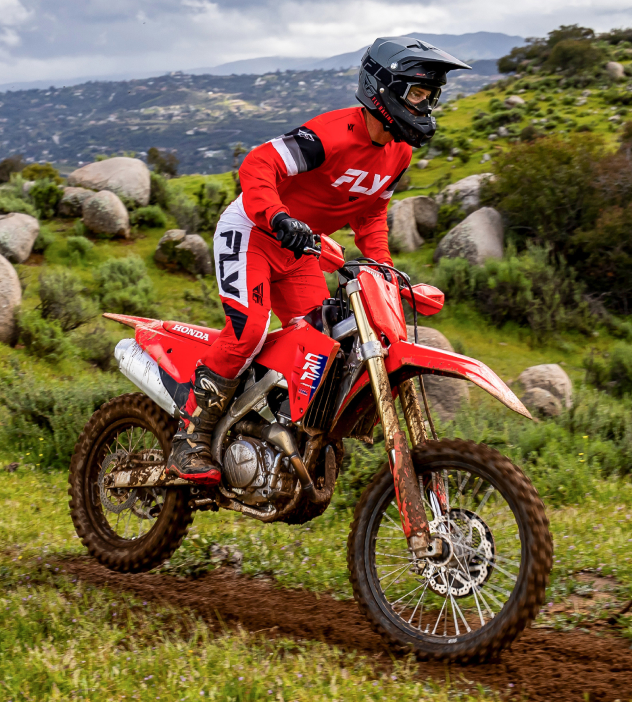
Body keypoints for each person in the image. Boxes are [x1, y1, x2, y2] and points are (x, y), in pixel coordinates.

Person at [166, 36, 471, 484]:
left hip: (302, 249)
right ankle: (189, 439)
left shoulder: (399, 153)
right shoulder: (331, 135)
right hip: (253, 232)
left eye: (431, 97)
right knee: (250, 329)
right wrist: (278, 216)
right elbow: (257, 164)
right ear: (384, 89)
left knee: (320, 347)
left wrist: (383, 269)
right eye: (418, 94)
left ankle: (271, 438)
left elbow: (370, 214)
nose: (425, 106)